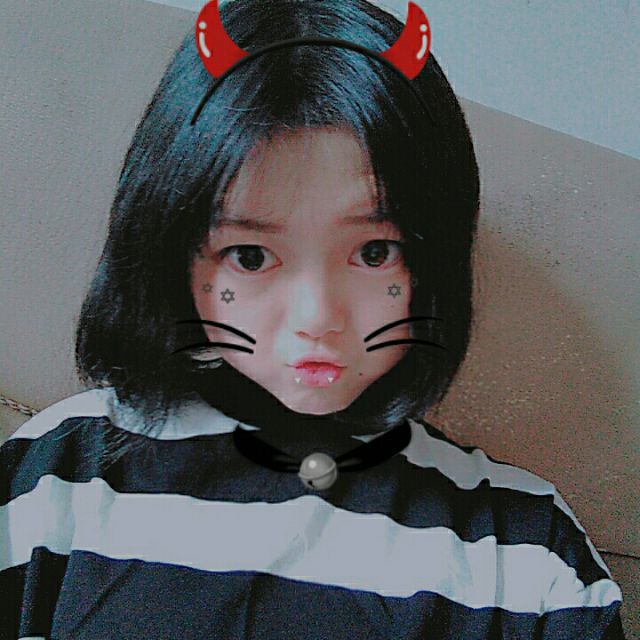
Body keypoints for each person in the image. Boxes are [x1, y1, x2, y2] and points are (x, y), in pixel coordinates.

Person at [0, 0, 626, 638]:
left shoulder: (525, 555)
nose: (317, 318)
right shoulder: (53, 479)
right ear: (171, 248)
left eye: (374, 253)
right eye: (251, 256)